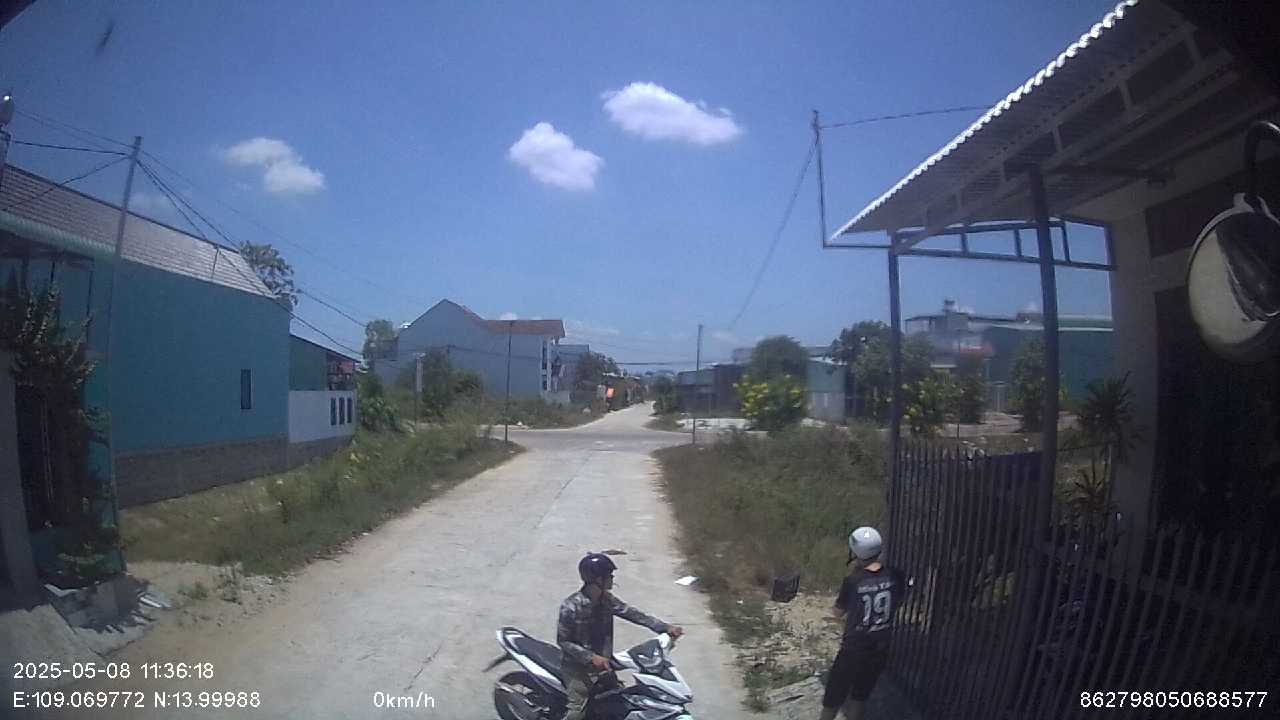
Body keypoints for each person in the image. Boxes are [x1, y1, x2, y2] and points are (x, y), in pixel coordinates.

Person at [557, 552, 685, 720]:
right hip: (578, 669)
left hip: (604, 666)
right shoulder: (571, 606)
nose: (612, 578)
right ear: (598, 579)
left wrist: (664, 627)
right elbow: (564, 641)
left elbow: (632, 613)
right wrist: (591, 657)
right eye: (609, 575)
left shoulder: (606, 600)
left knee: (618, 701)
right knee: (577, 711)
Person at [819, 527, 907, 720]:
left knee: (833, 698)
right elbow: (898, 601)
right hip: (880, 647)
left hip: (853, 648)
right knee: (859, 696)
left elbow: (838, 612)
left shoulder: (853, 580)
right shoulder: (896, 576)